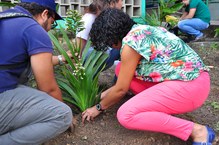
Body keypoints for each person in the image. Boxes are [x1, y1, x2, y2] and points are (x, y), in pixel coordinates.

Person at [82, 8, 215, 145]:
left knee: (126, 115)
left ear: (112, 37)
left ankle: (198, 131)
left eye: (110, 43)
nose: (113, 47)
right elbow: (122, 84)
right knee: (121, 69)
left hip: (191, 88)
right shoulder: (142, 29)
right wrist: (104, 95)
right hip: (194, 79)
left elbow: (121, 90)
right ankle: (157, 111)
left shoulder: (130, 45)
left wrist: (98, 107)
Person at [0, 0, 73, 144]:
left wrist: (60, 58)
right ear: (45, 14)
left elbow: (17, 61)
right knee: (62, 115)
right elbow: (48, 88)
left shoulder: (5, 19)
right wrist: (67, 116)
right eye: (53, 22)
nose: (51, 28)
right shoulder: (33, 29)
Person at [76, 0, 123, 70]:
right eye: (121, 0)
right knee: (124, 47)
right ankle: (91, 74)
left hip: (98, 52)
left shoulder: (107, 17)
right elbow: (78, 49)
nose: (122, 4)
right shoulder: (89, 19)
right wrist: (78, 67)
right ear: (112, 3)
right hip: (87, 57)